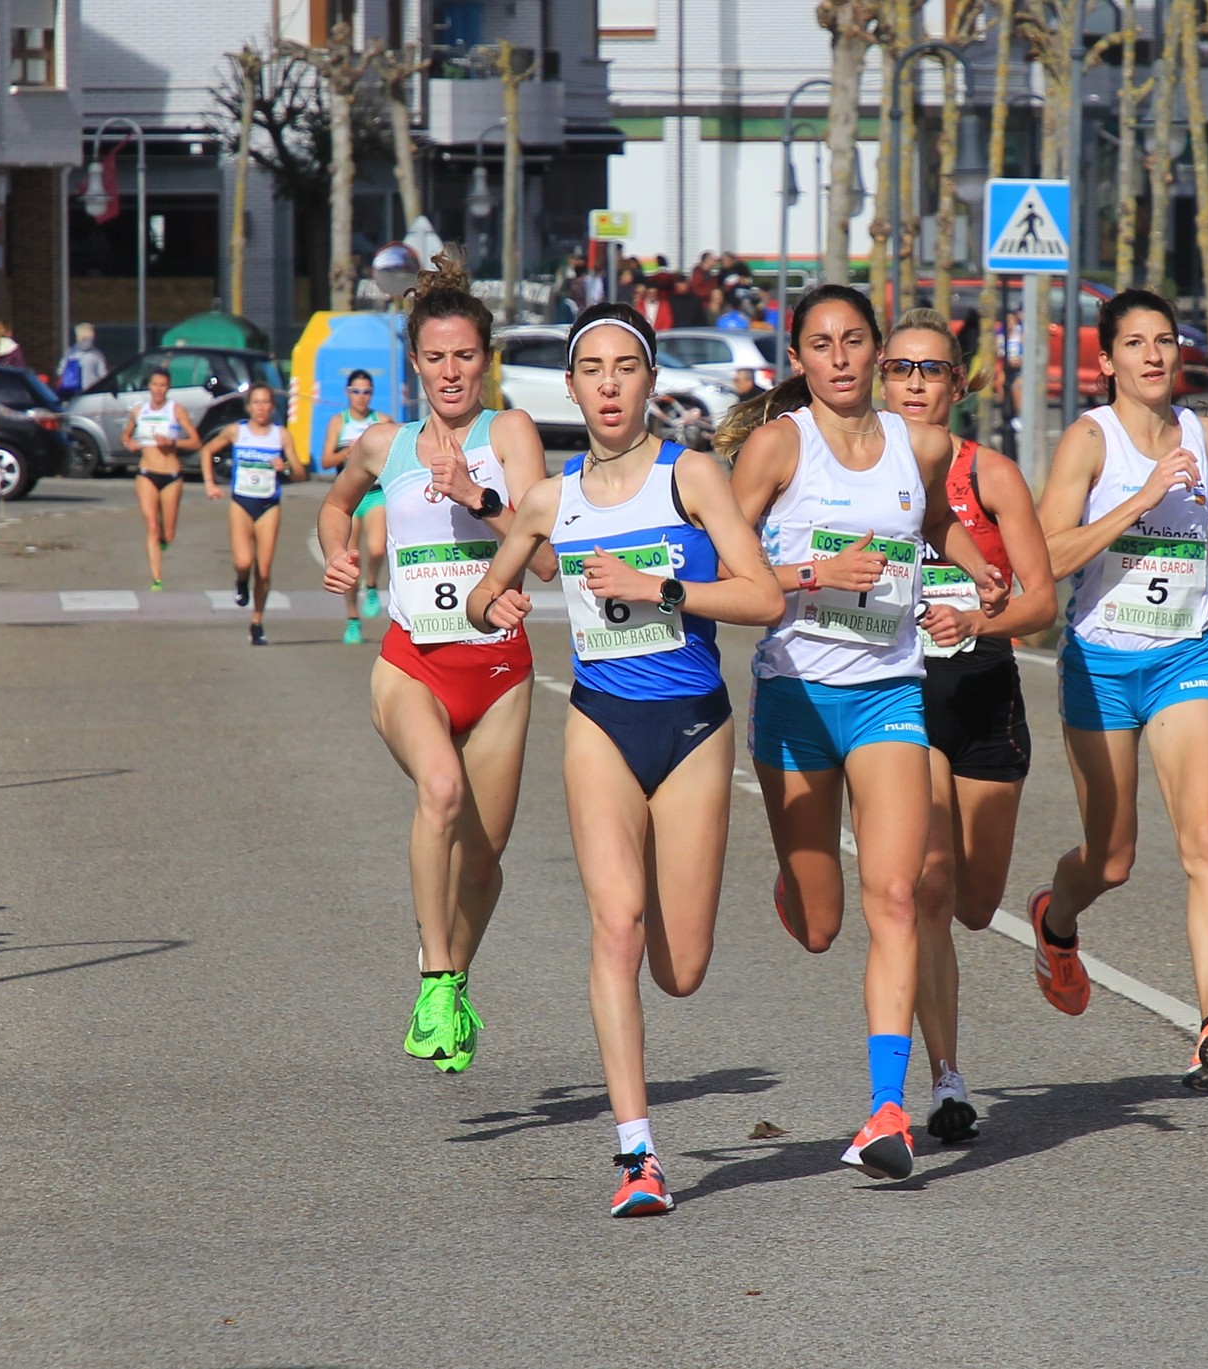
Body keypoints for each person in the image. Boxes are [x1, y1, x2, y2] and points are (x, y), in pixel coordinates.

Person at [466, 303, 784, 1216]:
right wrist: (500, 605)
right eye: (592, 370)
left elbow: (761, 596)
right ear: (571, 388)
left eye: (626, 368)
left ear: (649, 383)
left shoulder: (694, 476)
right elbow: (495, 587)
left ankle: (688, 870)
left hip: (692, 728)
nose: (609, 384)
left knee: (680, 968)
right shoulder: (549, 499)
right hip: (601, 721)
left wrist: (662, 587)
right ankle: (636, 1154)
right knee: (617, 925)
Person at [720, 283, 1007, 1181]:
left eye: (853, 341)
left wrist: (980, 570)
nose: (839, 357)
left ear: (874, 352)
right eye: (820, 343)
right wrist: (816, 570)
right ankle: (794, 882)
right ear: (797, 359)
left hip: (889, 693)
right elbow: (724, 566)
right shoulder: (777, 445)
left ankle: (886, 1109)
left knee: (896, 897)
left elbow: (932, 519)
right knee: (820, 921)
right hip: (798, 697)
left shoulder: (917, 446)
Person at [317, 249, 553, 1076]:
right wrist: (339, 552)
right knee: (441, 792)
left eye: (465, 356)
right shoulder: (386, 443)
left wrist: (478, 498)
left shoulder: (510, 433)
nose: (450, 371)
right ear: (412, 362)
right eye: (435, 356)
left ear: (484, 361)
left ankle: (449, 969)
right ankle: (439, 977)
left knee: (484, 859)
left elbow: (550, 558)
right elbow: (335, 503)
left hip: (499, 672)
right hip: (411, 661)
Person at [1030, 288, 1208, 1094]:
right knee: (1113, 856)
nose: (1154, 355)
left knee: (1207, 843)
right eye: (1135, 342)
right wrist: (1142, 497)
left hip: (1181, 657)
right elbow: (1048, 557)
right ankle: (1056, 920)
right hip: (1098, 662)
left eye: (1165, 340)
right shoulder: (1089, 442)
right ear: (1107, 360)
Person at [882, 310, 1057, 1145]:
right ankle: (946, 1079)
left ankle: (1042, 912)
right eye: (901, 369)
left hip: (983, 685)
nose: (915, 384)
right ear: (882, 380)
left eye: (932, 370)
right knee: (931, 886)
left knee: (979, 906)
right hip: (897, 692)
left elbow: (1042, 601)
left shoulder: (989, 474)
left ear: (959, 383)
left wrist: (978, 622)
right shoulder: (851, 473)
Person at [201, 385, 307, 645]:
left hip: (269, 504)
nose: (260, 407)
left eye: (265, 402)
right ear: (249, 407)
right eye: (256, 402)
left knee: (265, 568)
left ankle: (257, 622)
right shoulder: (238, 431)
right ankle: (240, 581)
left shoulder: (281, 435)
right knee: (243, 562)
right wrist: (210, 483)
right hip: (241, 503)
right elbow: (207, 451)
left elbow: (300, 474)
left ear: (272, 406)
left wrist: (285, 467)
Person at [320, 369, 392, 646]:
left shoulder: (382, 421)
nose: (361, 397)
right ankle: (352, 619)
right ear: (347, 393)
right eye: (356, 392)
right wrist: (350, 451)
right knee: (348, 560)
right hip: (350, 499)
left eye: (366, 392)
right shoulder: (339, 422)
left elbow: (398, 455)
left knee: (376, 548)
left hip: (375, 494)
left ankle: (372, 584)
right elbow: (325, 460)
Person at [121, 369, 198, 592]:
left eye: (163, 385)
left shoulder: (176, 410)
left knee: (168, 532)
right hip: (146, 472)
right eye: (155, 385)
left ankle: (165, 536)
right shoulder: (139, 411)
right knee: (152, 526)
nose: (158, 389)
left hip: (171, 475)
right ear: (149, 386)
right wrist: (130, 444)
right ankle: (157, 579)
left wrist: (172, 444)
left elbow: (195, 441)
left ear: (168, 388)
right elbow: (125, 436)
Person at [57, 324, 109, 399]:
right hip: (73, 393)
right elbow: (61, 371)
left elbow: (103, 375)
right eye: (84, 338)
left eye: (89, 338)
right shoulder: (70, 353)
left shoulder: (96, 355)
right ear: (78, 338)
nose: (87, 341)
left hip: (90, 393)